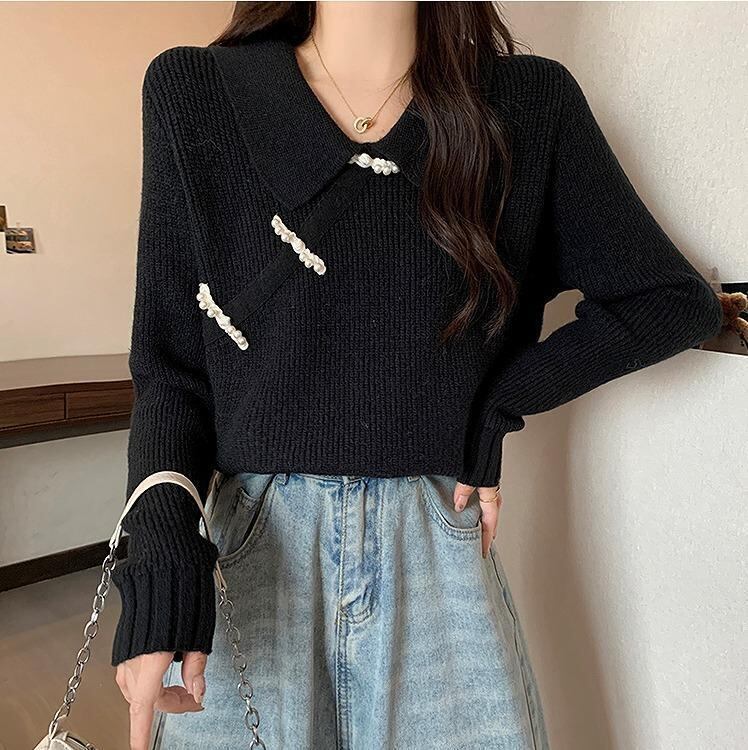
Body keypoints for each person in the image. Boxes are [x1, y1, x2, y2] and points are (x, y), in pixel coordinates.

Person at [110, 3, 724, 749]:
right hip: (254, 556)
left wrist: (498, 404)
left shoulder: (527, 104)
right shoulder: (196, 91)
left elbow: (669, 301)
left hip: (437, 551)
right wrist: (162, 554)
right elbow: (170, 371)